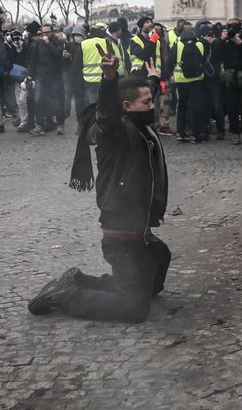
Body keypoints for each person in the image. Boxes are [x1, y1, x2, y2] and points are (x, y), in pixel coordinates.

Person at [27, 48, 170, 323]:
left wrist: (153, 80)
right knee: (134, 309)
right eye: (147, 102)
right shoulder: (114, 133)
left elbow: (140, 95)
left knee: (156, 270)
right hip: (122, 233)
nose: (152, 106)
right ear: (126, 108)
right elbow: (107, 112)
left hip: (139, 229)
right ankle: (65, 297)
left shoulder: (139, 123)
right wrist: (109, 78)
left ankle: (81, 280)